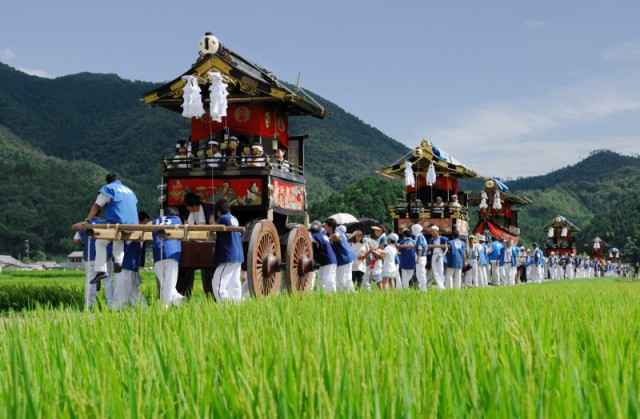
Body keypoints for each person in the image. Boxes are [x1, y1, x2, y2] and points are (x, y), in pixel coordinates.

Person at [74, 172, 138, 285]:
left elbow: (97, 205)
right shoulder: (130, 191)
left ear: (108, 181)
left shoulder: (108, 188)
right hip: (132, 225)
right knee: (118, 237)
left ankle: (101, 270)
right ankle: (118, 262)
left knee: (100, 242)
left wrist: (87, 220)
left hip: (117, 222)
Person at [72, 213, 115, 309]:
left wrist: (83, 245)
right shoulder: (105, 223)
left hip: (90, 257)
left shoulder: (84, 225)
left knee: (90, 281)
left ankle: (89, 305)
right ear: (99, 214)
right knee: (108, 281)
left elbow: (75, 240)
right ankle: (111, 305)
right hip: (105, 257)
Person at [151, 207, 186, 308]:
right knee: (169, 283)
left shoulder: (156, 221)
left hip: (157, 253)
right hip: (172, 252)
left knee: (165, 284)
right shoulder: (177, 219)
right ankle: (165, 307)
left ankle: (177, 299)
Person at [211, 198, 244, 302]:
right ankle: (236, 306)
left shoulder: (223, 218)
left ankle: (224, 306)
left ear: (218, 212)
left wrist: (212, 220)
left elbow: (213, 228)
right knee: (234, 284)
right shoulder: (234, 219)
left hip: (229, 256)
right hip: (238, 255)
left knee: (217, 283)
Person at [325, 218, 356, 292]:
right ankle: (352, 294)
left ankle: (346, 293)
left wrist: (328, 239)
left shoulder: (337, 231)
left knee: (340, 278)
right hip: (347, 257)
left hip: (344, 258)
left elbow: (336, 236)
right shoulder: (331, 232)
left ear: (330, 227)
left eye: (325, 225)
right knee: (347, 279)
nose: (324, 227)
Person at [112, 240, 144, 310]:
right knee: (131, 288)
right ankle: (143, 307)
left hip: (126, 258)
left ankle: (118, 307)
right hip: (129, 256)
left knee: (121, 284)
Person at [310, 220, 337, 292]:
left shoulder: (314, 236)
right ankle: (329, 294)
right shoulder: (323, 235)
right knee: (327, 279)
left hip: (327, 260)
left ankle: (323, 295)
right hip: (330, 259)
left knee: (325, 280)